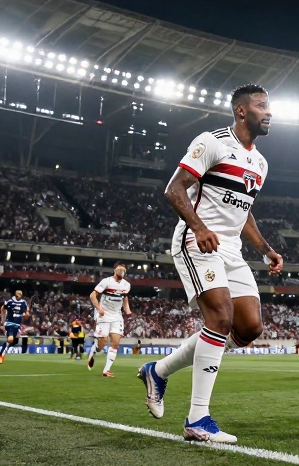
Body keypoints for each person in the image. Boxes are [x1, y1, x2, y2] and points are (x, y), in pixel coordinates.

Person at [137, 84, 283, 445]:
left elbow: (243, 210)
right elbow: (174, 188)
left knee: (249, 327)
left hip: (231, 249)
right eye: (261, 106)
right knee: (219, 319)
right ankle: (197, 418)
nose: (269, 112)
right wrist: (199, 227)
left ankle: (158, 371)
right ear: (240, 111)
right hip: (196, 239)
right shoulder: (212, 142)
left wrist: (265, 249)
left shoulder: (260, 163)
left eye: (269, 107)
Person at [88, 261, 132, 376]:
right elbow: (92, 295)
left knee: (115, 343)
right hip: (104, 314)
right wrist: (99, 308)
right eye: (120, 270)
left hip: (117, 316)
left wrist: (127, 310)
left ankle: (106, 370)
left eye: (124, 270)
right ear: (115, 270)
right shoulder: (106, 282)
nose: (122, 272)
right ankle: (93, 351)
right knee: (102, 343)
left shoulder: (127, 285)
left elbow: (124, 298)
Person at [0, 290, 29, 364]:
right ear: (16, 294)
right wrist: (3, 319)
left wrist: (25, 314)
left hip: (17, 325)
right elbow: (3, 308)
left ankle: (3, 352)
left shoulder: (23, 302)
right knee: (10, 339)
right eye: (18, 294)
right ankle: (1, 356)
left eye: (21, 294)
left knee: (11, 341)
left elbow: (26, 313)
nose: (19, 295)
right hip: (9, 323)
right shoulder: (10, 301)